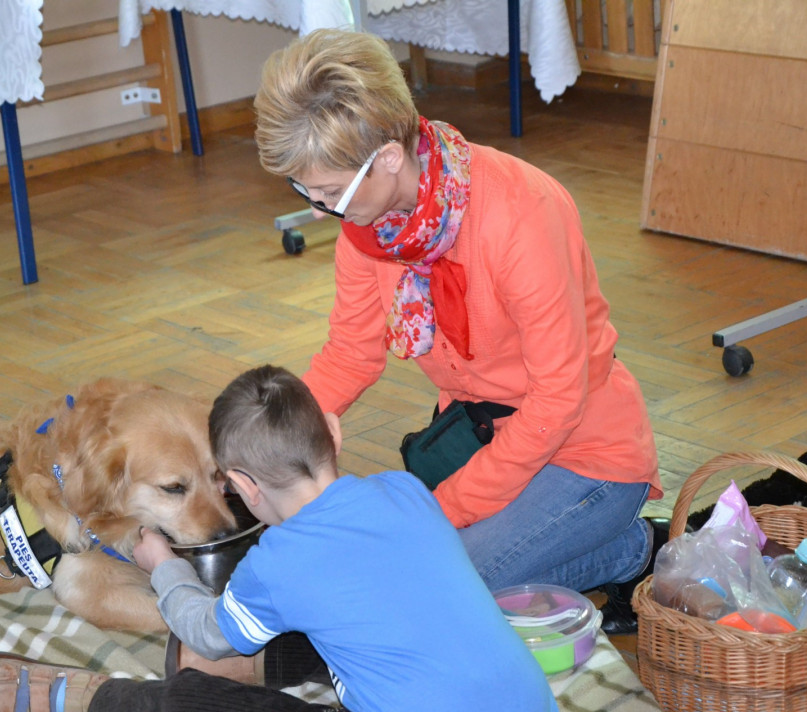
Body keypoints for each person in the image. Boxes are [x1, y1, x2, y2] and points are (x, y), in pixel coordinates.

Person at [252, 28, 664, 633]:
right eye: (305, 191)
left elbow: (558, 400)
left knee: (435, 589)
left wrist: (445, 509)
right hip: (481, 439)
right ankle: (548, 550)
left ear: (389, 157)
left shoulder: (522, 214)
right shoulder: (371, 229)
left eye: (331, 192)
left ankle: (634, 551)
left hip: (584, 454)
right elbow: (350, 354)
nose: (318, 211)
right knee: (410, 573)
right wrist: (272, 441)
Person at [0, 365, 561, 712]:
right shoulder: (404, 492)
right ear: (331, 433)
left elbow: (205, 627)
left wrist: (163, 565)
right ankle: (246, 668)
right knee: (376, 613)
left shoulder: (280, 561)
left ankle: (84, 705)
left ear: (239, 483)